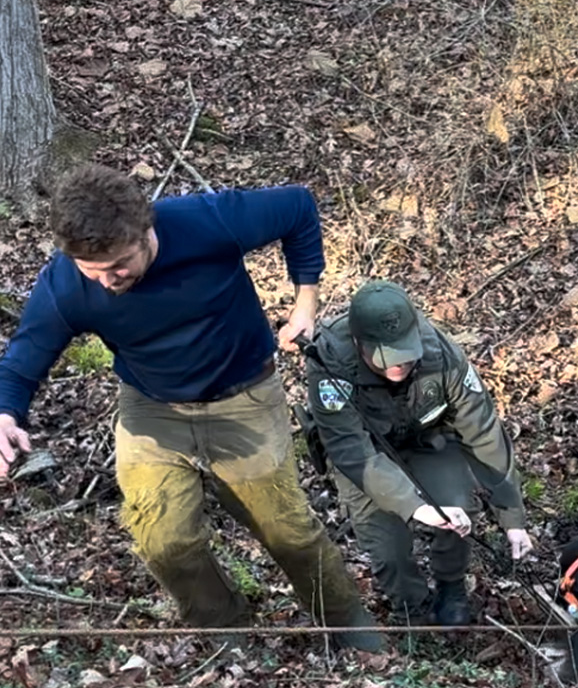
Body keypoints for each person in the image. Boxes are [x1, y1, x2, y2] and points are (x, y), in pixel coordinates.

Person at [0, 163, 383, 650]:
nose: (105, 281)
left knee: (288, 532)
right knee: (163, 538)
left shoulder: (205, 222)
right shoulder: (65, 286)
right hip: (152, 409)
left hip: (244, 395)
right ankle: (225, 630)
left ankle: (350, 626)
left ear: (146, 231)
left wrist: (305, 300)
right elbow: (21, 363)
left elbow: (298, 208)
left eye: (118, 265)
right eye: (90, 270)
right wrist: (6, 414)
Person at [305, 279, 532, 626]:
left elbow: (483, 432)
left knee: (457, 506)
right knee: (388, 549)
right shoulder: (330, 364)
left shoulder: (442, 354)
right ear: (357, 342)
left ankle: (451, 588)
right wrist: (415, 507)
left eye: (405, 354)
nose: (400, 366)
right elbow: (351, 450)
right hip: (366, 459)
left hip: (428, 440)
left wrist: (512, 517)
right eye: (387, 358)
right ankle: (411, 609)